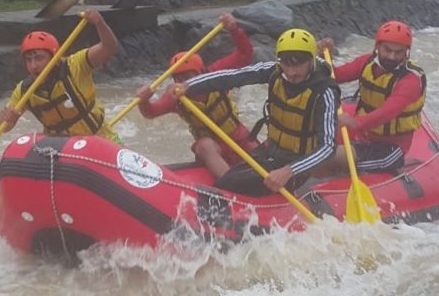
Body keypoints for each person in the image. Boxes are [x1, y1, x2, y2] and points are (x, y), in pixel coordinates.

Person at [175, 28, 340, 197]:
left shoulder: (325, 92)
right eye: (286, 64)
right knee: (227, 180)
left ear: (311, 61)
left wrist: (288, 171)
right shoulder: (275, 71)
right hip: (270, 153)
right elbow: (233, 76)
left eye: (298, 65)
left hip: (298, 166)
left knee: (228, 185)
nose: (291, 72)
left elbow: (327, 147)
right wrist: (189, 85)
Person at [134, 13, 258, 180]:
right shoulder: (175, 96)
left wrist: (234, 29)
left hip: (238, 137)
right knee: (205, 145)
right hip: (212, 149)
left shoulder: (216, 75)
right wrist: (144, 100)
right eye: (179, 78)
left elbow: (245, 55)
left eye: (189, 76)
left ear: (201, 72)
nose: (184, 82)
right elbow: (150, 113)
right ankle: (230, 184)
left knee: (258, 150)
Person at [0, 9, 121, 143]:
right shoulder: (23, 90)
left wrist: (100, 23)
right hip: (63, 150)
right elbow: (3, 128)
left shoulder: (75, 65)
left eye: (39, 58)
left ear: (55, 59)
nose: (33, 66)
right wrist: (5, 119)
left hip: (100, 140)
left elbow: (110, 47)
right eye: (28, 60)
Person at [317, 20, 424, 173]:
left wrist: (356, 122)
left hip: (390, 149)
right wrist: (323, 55)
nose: (392, 56)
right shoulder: (366, 62)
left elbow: (387, 112)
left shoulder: (410, 80)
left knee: (327, 160)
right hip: (363, 137)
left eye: (399, 52)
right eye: (387, 49)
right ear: (377, 46)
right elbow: (334, 76)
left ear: (406, 52)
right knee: (308, 148)